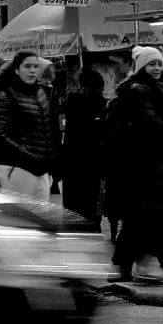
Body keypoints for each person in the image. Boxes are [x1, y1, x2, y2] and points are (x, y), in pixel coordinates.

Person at [104, 46, 163, 283]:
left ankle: (139, 264)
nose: (156, 68)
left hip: (151, 165)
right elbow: (149, 123)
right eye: (151, 64)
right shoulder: (140, 90)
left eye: (159, 64)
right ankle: (143, 264)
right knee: (146, 218)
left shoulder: (147, 88)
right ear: (142, 66)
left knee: (146, 218)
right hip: (146, 166)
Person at [0, 50, 61, 202]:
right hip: (19, 170)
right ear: (16, 70)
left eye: (35, 66)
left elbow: (49, 131)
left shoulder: (41, 94)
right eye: (27, 66)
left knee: (42, 221)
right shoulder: (5, 96)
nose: (32, 70)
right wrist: (25, 155)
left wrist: (51, 166)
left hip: (42, 171)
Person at [58, 67, 110, 233]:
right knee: (91, 204)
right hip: (94, 162)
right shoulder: (102, 105)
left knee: (73, 206)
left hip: (72, 161)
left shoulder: (70, 104)